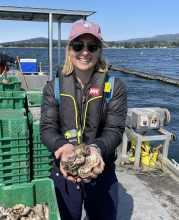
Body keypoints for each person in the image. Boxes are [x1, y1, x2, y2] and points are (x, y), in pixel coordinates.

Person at [40, 21, 127, 220]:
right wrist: (62, 146)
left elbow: (115, 130)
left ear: (99, 51)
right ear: (69, 49)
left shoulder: (115, 87)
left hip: (102, 174)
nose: (85, 52)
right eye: (78, 46)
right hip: (64, 171)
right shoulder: (53, 88)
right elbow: (47, 128)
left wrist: (96, 149)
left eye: (92, 46)